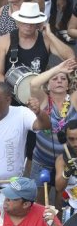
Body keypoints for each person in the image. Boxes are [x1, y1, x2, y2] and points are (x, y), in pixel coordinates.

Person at [27, 59, 77, 197]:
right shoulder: (43, 100)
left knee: (63, 203)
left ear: (68, 85)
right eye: (54, 79)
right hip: (41, 160)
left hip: (67, 160)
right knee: (39, 203)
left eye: (63, 79)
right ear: (47, 86)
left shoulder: (73, 100)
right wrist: (59, 68)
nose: (59, 81)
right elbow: (33, 84)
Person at [0, 2, 75, 84]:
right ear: (17, 22)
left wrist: (50, 35)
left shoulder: (46, 40)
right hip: (10, 90)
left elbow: (70, 57)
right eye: (24, 22)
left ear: (38, 23)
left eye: (32, 22)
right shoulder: (4, 41)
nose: (28, 26)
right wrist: (17, 90)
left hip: (39, 89)